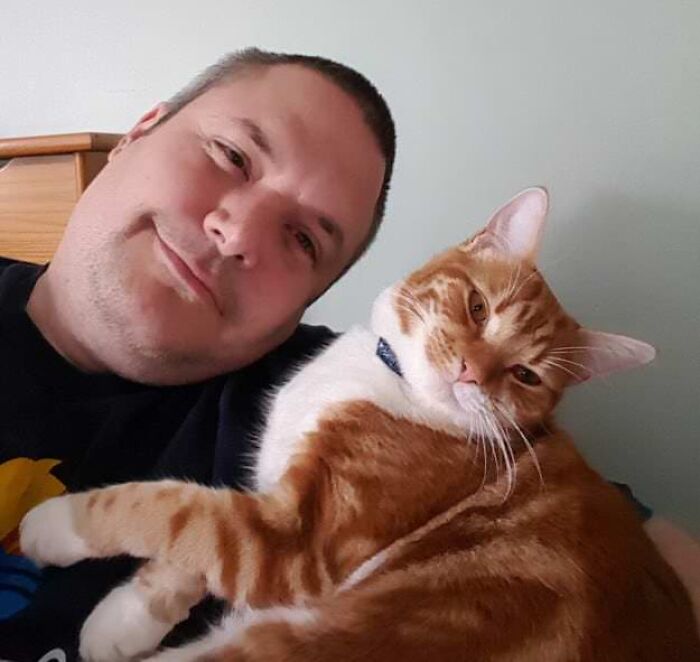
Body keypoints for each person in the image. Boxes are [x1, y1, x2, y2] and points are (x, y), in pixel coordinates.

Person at [0, 48, 696, 661]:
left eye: (303, 240)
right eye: (232, 156)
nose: (236, 235)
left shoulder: (370, 398)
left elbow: (617, 552)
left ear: (316, 295)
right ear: (137, 132)